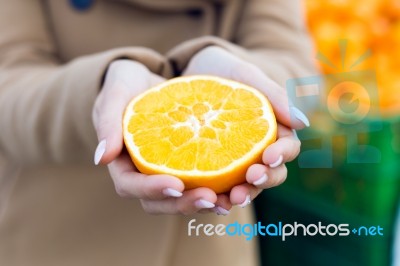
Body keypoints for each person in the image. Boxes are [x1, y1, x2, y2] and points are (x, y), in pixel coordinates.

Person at [0, 0, 315, 265]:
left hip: (204, 238)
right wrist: (98, 94)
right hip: (55, 227)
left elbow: (296, 66)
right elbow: (9, 82)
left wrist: (251, 88)